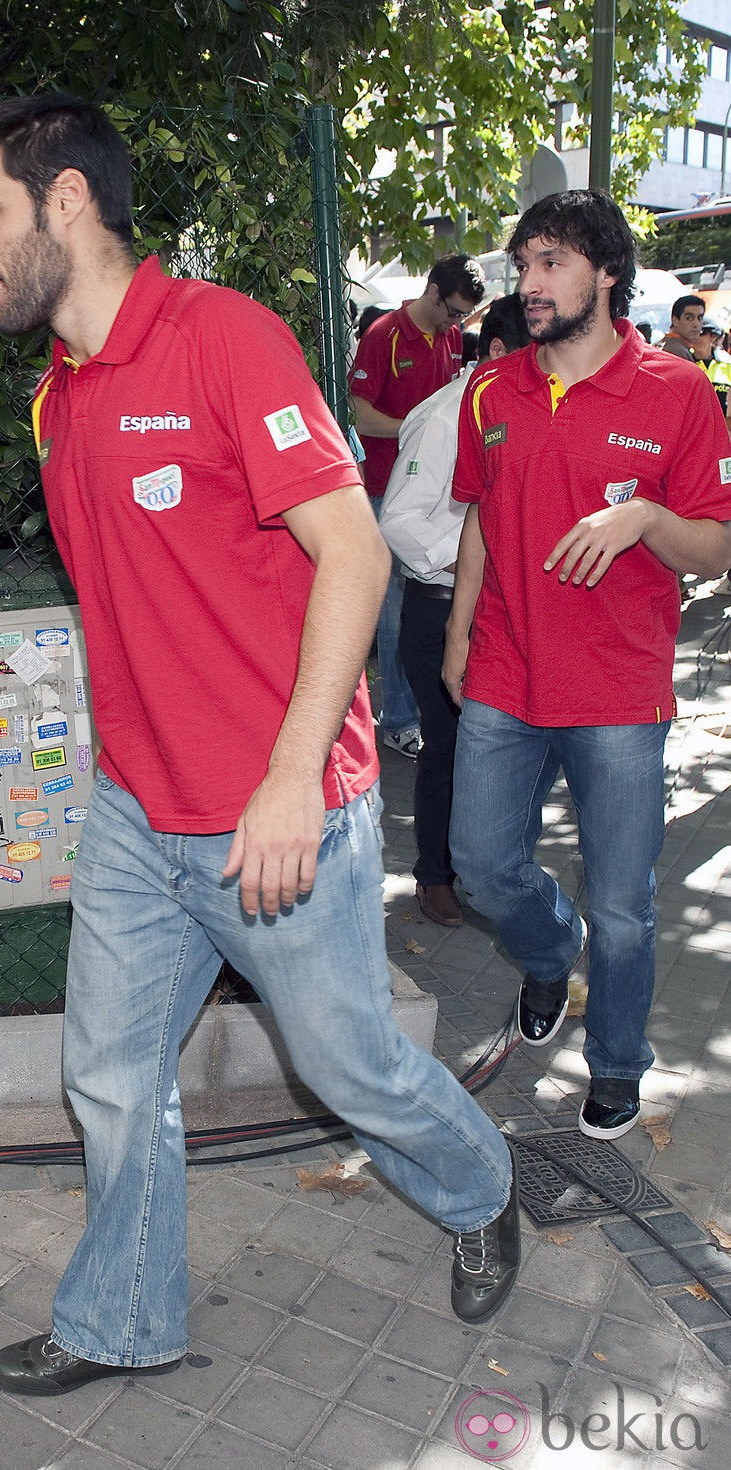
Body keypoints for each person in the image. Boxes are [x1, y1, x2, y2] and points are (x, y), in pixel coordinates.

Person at [0, 94, 520, 1397]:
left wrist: (284, 777)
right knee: (107, 1072)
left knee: (349, 1064)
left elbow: (356, 553)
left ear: (67, 200)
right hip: (142, 815)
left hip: (283, 810)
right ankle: (121, 1316)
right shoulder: (60, 400)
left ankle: (485, 1183)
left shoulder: (225, 343)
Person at [443, 189, 731, 1142]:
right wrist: (458, 631)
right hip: (504, 673)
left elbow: (716, 548)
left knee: (625, 907)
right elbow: (480, 516)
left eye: (552, 264)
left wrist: (644, 518)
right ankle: (545, 948)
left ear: (607, 273)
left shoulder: (679, 391)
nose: (529, 284)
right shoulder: (491, 389)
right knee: (482, 868)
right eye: (524, 265)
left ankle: (615, 1063)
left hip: (618, 688)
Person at [379, 294, 530, 929]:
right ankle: (435, 877)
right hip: (439, 609)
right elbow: (400, 522)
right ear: (497, 352)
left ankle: (490, 872)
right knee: (450, 748)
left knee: (502, 747)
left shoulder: (517, 411)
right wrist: (475, 565)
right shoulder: (445, 416)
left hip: (502, 608)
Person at [349, 255, 486, 760]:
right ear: (432, 291)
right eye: (453, 311)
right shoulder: (383, 335)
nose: (457, 324)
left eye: (463, 317)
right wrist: (420, 425)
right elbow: (359, 411)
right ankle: (399, 719)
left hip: (441, 488)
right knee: (394, 610)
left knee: (428, 605)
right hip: (388, 486)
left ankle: (424, 709)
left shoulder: (450, 337)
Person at [693, 315, 731, 430]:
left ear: (712, 337)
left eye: (700, 333)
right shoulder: (684, 361)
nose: (694, 337)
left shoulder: (727, 365)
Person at [658, 293, 705, 360]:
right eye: (689, 318)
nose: (696, 324)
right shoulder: (677, 351)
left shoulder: (668, 344)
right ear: (675, 320)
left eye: (700, 318)